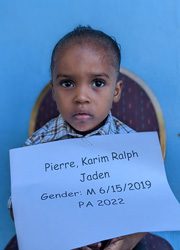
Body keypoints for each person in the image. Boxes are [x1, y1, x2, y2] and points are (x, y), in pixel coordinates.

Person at [10, 26, 146, 250]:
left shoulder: (131, 145)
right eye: (67, 83)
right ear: (53, 90)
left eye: (98, 83)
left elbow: (148, 206)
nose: (81, 97)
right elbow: (18, 208)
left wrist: (128, 241)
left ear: (116, 90)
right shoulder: (37, 146)